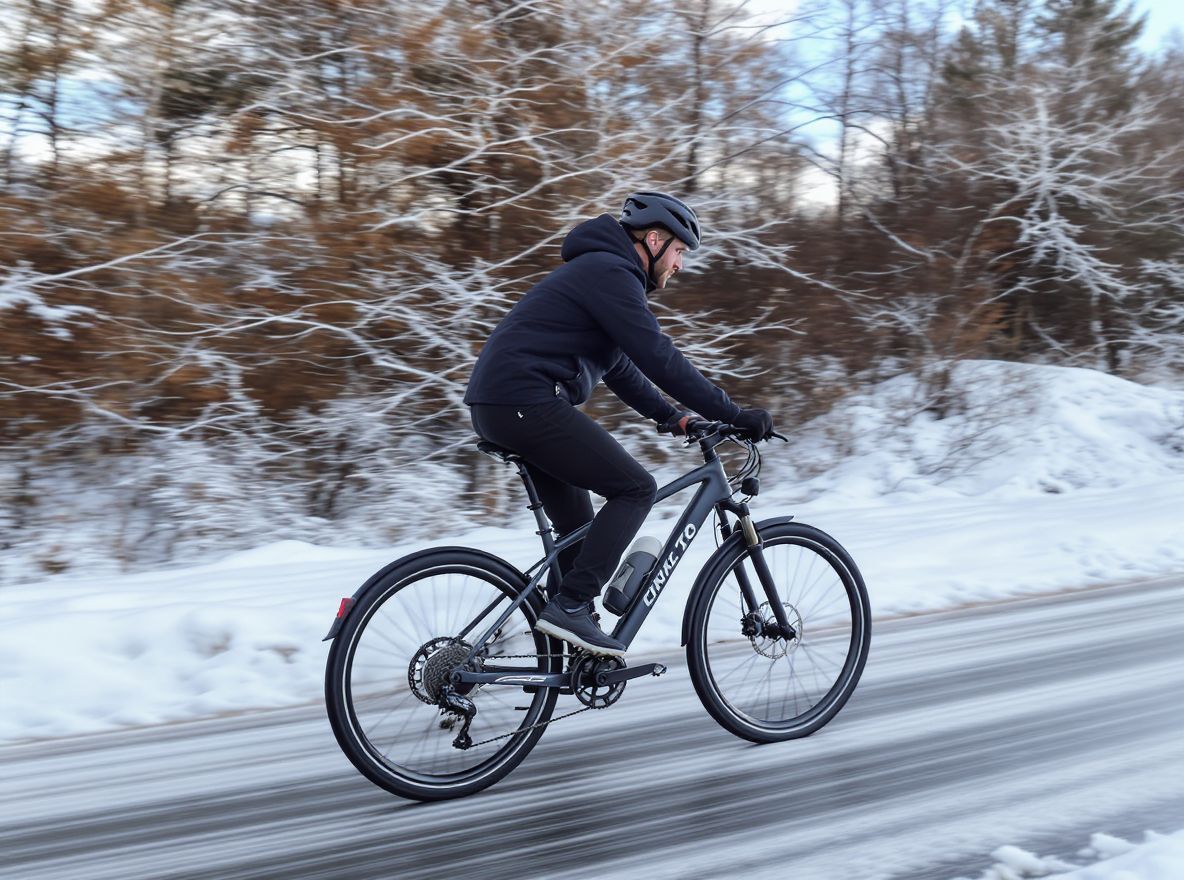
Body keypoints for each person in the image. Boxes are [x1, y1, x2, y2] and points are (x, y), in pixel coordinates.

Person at [464, 191, 774, 656]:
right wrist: (731, 413)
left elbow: (620, 366)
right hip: (523, 401)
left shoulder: (600, 273)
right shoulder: (609, 272)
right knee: (635, 488)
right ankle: (569, 608)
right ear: (653, 239)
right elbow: (657, 355)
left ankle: (562, 639)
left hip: (505, 403)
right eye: (679, 251)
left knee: (580, 531)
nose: (680, 265)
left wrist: (674, 417)